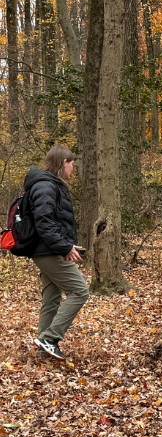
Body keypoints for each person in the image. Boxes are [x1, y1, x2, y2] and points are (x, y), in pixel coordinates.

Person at [25, 145, 89, 361]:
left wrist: (68, 245)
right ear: (64, 163)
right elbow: (44, 223)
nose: (73, 168)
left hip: (49, 250)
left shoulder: (48, 184)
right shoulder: (45, 186)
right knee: (80, 291)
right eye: (72, 164)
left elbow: (53, 222)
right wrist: (65, 247)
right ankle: (50, 338)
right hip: (49, 252)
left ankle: (43, 353)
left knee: (51, 299)